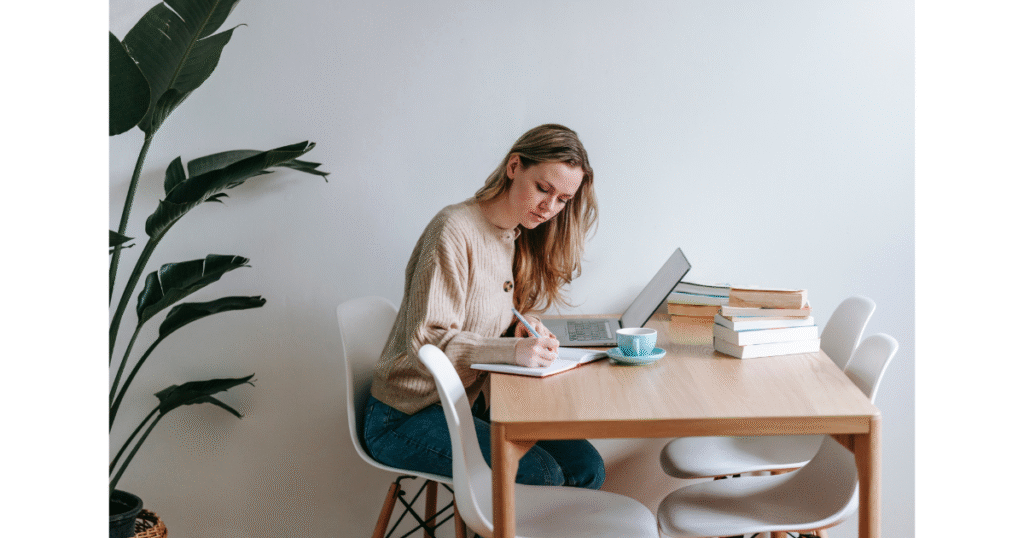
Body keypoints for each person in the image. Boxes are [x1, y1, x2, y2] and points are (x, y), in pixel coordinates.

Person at [362, 124, 604, 491]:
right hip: (405, 415)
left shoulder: (511, 234)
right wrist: (512, 350)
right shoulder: (454, 230)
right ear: (514, 167)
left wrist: (517, 328)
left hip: (464, 403)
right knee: (542, 473)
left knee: (587, 467)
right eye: (543, 188)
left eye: (563, 200)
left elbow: (479, 314)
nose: (549, 207)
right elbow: (428, 341)